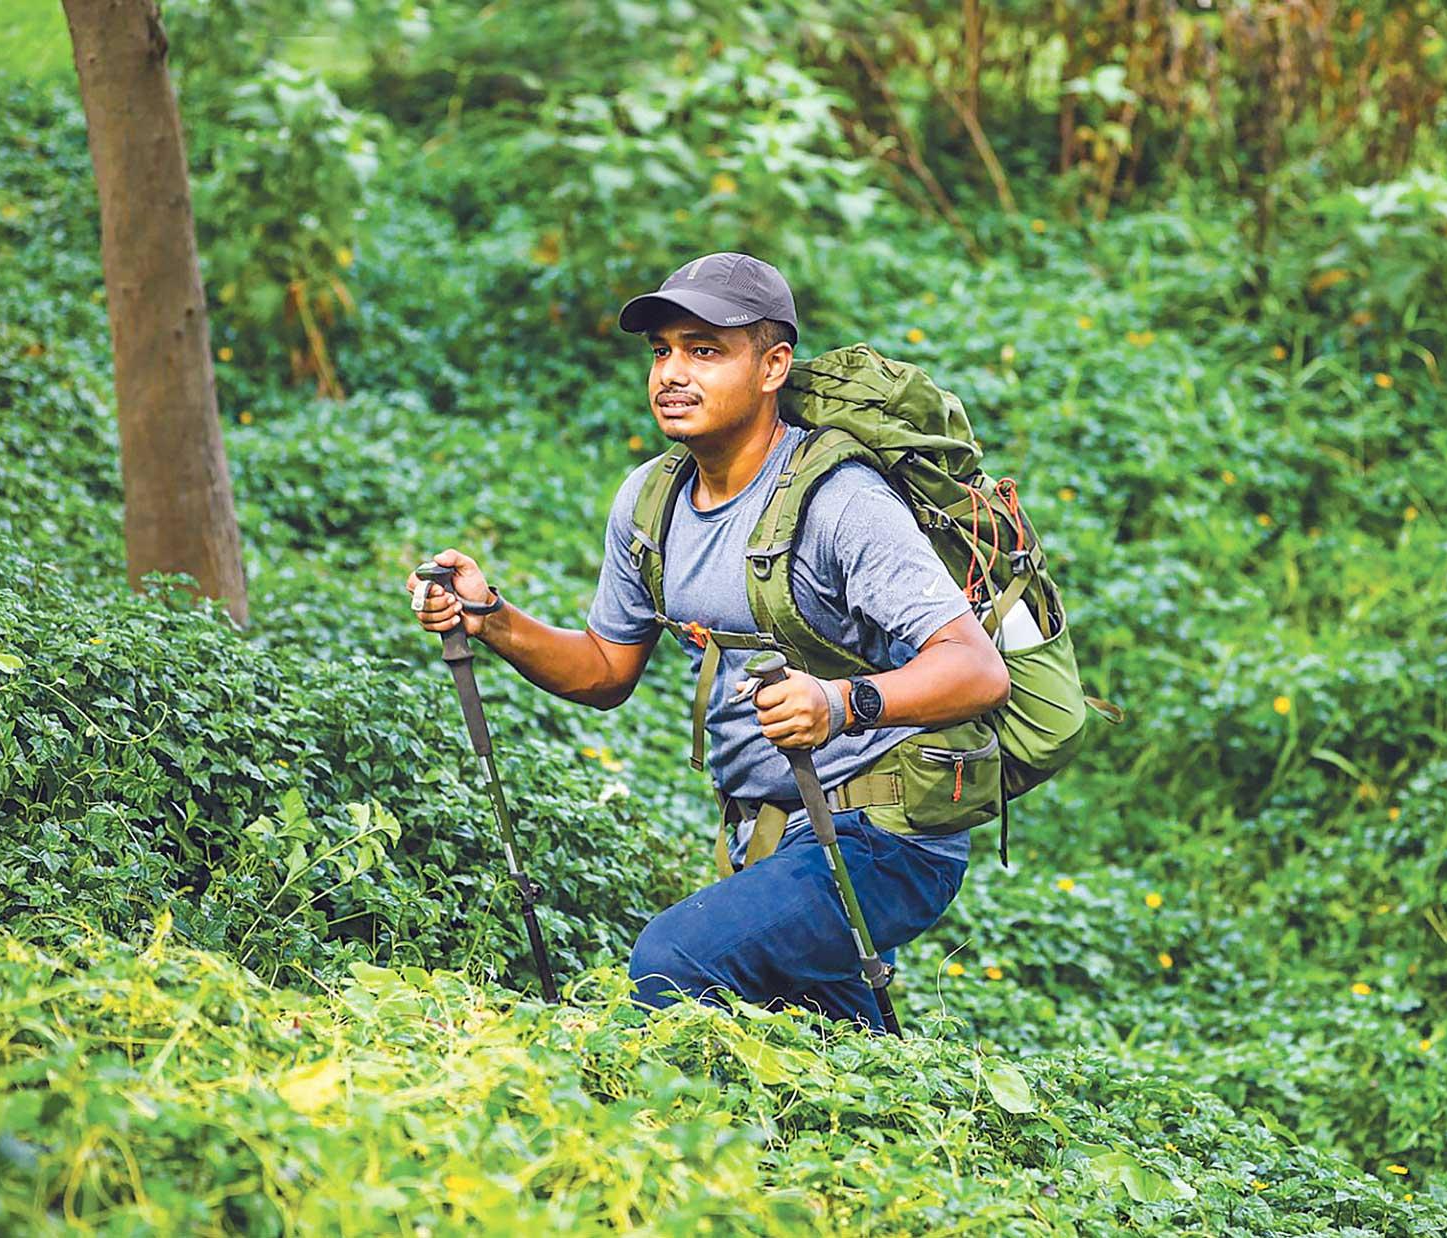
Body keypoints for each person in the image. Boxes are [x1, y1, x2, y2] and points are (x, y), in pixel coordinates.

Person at [406, 251, 1009, 1033]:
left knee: (679, 957)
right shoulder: (652, 500)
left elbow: (977, 669)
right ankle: (921, 1140)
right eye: (661, 351)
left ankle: (675, 1149)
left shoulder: (840, 502)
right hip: (771, 834)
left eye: (704, 349)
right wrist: (491, 619)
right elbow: (604, 669)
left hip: (887, 834)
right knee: (838, 1053)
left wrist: (841, 702)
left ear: (772, 366)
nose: (672, 373)